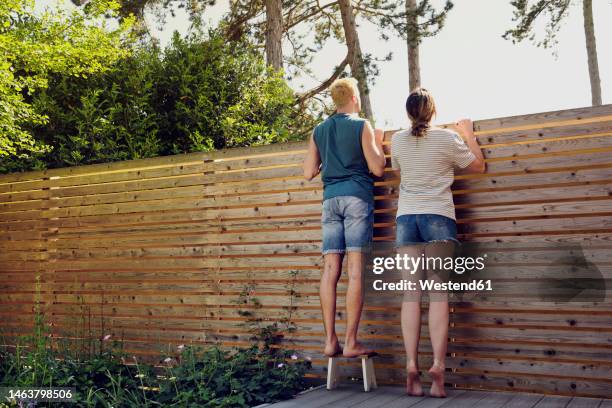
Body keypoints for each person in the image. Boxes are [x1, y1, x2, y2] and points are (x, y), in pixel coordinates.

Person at [390, 88, 486, 397]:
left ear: (408, 113)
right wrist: (468, 133)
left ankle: (410, 366)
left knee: (410, 295)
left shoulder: (397, 140)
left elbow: (397, 170)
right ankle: (438, 368)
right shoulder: (446, 138)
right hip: (438, 218)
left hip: (406, 220)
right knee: (439, 294)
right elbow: (478, 166)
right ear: (433, 111)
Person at [303, 77, 386, 358]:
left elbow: (308, 172)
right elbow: (377, 169)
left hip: (330, 202)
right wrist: (376, 143)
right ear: (353, 99)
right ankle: (351, 342)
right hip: (356, 199)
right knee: (354, 272)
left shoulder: (318, 130)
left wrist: (330, 154)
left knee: (330, 271)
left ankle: (330, 341)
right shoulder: (361, 125)